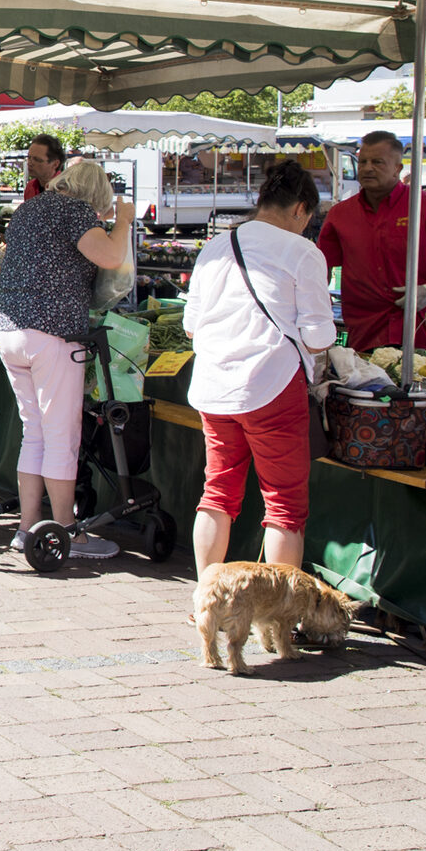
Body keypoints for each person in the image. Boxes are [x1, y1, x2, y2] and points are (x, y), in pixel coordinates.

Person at [182, 160, 334, 576]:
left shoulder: (215, 246)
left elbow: (190, 326)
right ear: (301, 209)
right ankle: (277, 619)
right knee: (284, 501)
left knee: (217, 494)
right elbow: (319, 337)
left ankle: (206, 598)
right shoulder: (304, 252)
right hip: (272, 385)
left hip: (214, 386)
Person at [0, 158, 136, 560]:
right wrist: (122, 221)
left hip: (8, 327)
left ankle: (27, 528)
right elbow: (109, 257)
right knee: (61, 436)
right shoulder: (73, 211)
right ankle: (67, 532)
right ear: (94, 194)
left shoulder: (30, 209)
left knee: (33, 431)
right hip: (50, 333)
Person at [317, 130, 426, 356]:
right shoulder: (341, 214)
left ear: (398, 168)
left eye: (377, 162)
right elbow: (321, 267)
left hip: (423, 336)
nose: (368, 168)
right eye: (364, 161)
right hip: (364, 335)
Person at [22, 133, 66, 202]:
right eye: (29, 158)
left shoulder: (65, 189)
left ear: (55, 164)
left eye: (37, 160)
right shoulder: (30, 187)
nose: (30, 163)